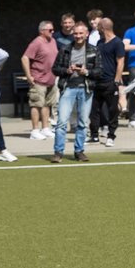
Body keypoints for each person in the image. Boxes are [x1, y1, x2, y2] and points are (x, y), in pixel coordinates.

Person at [51, 21, 97, 163]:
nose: (78, 36)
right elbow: (55, 69)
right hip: (68, 88)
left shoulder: (94, 50)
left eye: (80, 33)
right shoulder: (65, 49)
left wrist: (86, 72)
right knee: (61, 122)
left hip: (86, 88)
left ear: (86, 34)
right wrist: (67, 70)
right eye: (75, 33)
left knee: (82, 123)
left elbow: (100, 71)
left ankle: (79, 151)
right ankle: (58, 152)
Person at [21, 22, 59, 141]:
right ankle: (35, 130)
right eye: (50, 30)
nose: (52, 32)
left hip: (51, 78)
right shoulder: (36, 42)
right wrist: (28, 75)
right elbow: (25, 58)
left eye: (53, 30)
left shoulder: (52, 41)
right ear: (42, 31)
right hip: (38, 79)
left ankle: (45, 128)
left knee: (47, 104)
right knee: (36, 104)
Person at [92, 17, 125, 147]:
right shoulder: (99, 43)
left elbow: (121, 62)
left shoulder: (117, 43)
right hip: (97, 82)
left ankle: (111, 136)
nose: (96, 29)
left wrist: (116, 80)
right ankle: (94, 135)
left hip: (110, 82)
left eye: (98, 26)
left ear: (103, 27)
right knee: (94, 110)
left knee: (112, 111)